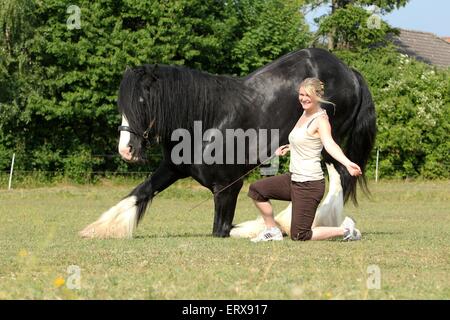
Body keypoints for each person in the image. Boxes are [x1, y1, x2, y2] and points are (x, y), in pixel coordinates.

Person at [248, 78, 362, 242]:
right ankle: (272, 230)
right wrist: (289, 147)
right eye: (301, 94)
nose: (303, 98)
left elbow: (329, 144)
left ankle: (345, 229)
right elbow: (305, 140)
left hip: (309, 184)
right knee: (256, 190)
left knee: (300, 235)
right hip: (293, 178)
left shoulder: (321, 120)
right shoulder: (304, 113)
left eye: (307, 95)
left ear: (318, 96)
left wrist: (347, 163)